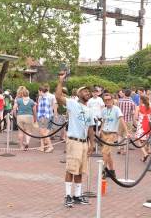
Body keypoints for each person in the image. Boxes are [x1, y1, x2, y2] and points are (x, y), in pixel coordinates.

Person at [55, 73, 94, 207]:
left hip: (84, 142)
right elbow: (58, 97)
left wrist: (92, 144)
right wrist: (60, 81)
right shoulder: (72, 104)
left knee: (80, 170)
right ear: (78, 94)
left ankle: (77, 195)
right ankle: (67, 196)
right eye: (85, 91)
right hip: (74, 141)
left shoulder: (89, 110)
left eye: (89, 91)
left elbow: (90, 128)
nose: (88, 93)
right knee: (71, 168)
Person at [100, 93, 130, 179]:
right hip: (104, 133)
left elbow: (121, 120)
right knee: (108, 154)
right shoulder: (104, 110)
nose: (107, 101)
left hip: (112, 134)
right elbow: (104, 121)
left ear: (112, 100)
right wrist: (100, 131)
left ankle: (102, 170)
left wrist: (127, 132)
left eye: (109, 99)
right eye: (105, 100)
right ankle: (112, 172)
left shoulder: (116, 109)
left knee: (104, 152)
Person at [134, 95, 151, 162]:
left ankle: (145, 154)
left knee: (138, 139)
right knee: (146, 139)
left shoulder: (138, 107)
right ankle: (144, 155)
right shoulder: (149, 107)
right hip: (148, 124)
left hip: (141, 124)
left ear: (141, 100)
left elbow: (136, 117)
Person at [118, 89, 136, 154]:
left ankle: (119, 148)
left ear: (124, 93)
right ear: (130, 94)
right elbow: (133, 113)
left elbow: (117, 111)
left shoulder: (120, 101)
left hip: (120, 119)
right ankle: (125, 150)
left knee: (120, 134)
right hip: (128, 120)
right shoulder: (132, 102)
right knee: (127, 134)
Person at [37, 85, 54, 153]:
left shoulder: (44, 99)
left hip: (43, 118)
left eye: (39, 91)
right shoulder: (43, 98)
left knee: (43, 133)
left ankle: (50, 146)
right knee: (43, 133)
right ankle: (42, 147)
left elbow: (45, 110)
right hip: (44, 117)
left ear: (41, 91)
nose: (38, 93)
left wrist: (43, 118)